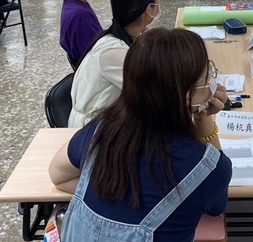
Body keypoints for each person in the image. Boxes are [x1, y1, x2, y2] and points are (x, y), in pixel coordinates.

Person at [50, 28, 231, 242]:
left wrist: (111, 198)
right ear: (185, 96)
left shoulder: (100, 129)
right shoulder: (208, 169)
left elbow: (58, 174)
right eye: (207, 73)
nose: (211, 77)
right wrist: (204, 119)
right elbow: (215, 208)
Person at [67, 0, 161, 127]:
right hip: (92, 129)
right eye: (156, 0)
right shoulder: (113, 52)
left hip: (106, 120)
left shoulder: (118, 37)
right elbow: (154, 94)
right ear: (148, 9)